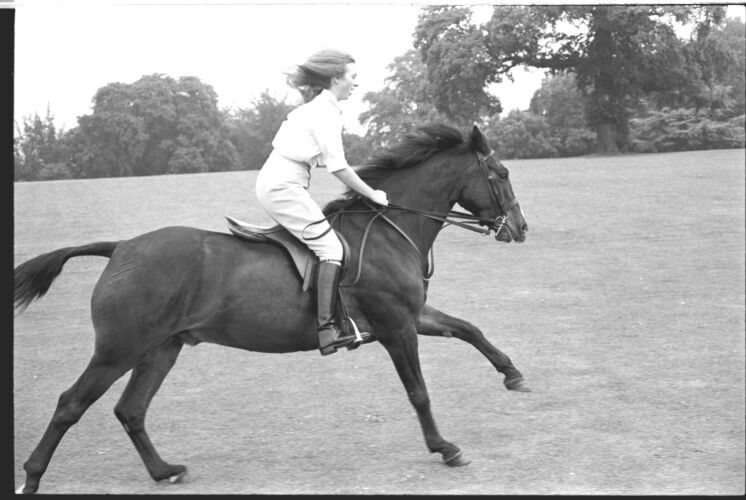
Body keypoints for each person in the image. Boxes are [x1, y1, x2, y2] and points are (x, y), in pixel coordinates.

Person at [255, 49, 389, 356]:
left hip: (284, 182)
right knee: (331, 248)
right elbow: (338, 166)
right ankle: (327, 329)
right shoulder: (323, 112)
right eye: (353, 77)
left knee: (323, 243)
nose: (356, 83)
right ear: (335, 79)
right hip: (282, 186)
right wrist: (372, 194)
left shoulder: (323, 108)